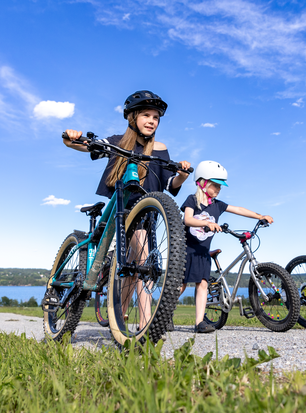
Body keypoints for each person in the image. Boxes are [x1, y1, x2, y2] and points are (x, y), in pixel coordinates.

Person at [63, 90, 191, 330]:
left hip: (148, 212)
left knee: (134, 269)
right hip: (124, 210)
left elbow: (169, 185)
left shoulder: (160, 149)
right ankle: (144, 324)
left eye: (156, 117)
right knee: (140, 263)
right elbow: (80, 145)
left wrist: (182, 176)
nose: (152, 120)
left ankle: (119, 319)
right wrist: (71, 137)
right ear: (132, 117)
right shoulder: (118, 142)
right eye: (146, 115)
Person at [179, 161, 274, 333]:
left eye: (220, 186)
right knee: (181, 285)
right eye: (215, 185)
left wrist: (260, 216)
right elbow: (187, 219)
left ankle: (199, 322)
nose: (218, 189)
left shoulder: (218, 205)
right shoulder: (192, 200)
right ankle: (164, 313)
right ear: (202, 182)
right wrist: (207, 223)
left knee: (203, 284)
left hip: (202, 252)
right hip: (186, 250)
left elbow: (238, 209)